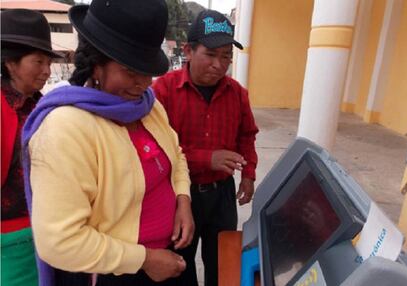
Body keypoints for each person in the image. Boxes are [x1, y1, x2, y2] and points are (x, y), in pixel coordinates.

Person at [21, 0, 194, 285]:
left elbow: (176, 155)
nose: (143, 83)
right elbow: (60, 241)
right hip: (114, 273)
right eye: (130, 70)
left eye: (147, 70)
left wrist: (182, 200)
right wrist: (146, 260)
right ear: (95, 64)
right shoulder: (66, 128)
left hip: (166, 259)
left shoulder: (149, 108)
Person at [152, 9, 259, 286]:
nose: (219, 65)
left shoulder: (237, 93)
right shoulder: (162, 91)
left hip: (222, 195)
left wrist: (249, 173)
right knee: (179, 265)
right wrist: (205, 159)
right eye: (211, 55)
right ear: (188, 50)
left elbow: (247, 135)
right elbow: (155, 150)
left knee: (223, 264)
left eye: (226, 56)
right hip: (178, 197)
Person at [1, 9, 62, 286]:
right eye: (38, 61)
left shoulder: (37, 106)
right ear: (11, 63)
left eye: (48, 62)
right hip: (11, 243)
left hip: (43, 233)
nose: (47, 71)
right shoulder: (4, 109)